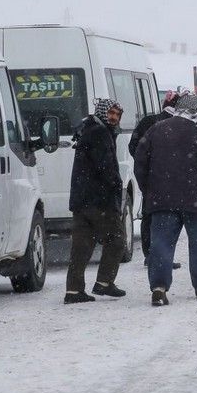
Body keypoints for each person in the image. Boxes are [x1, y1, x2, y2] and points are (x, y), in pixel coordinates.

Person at [135, 94, 197, 306]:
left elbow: (141, 162)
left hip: (163, 198)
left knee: (161, 243)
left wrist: (149, 189)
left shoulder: (158, 129)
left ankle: (159, 286)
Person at [65, 98, 127, 304]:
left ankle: (74, 290)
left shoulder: (88, 129)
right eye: (111, 113)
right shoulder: (100, 133)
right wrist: (116, 186)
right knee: (117, 240)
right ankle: (104, 282)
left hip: (82, 200)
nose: (114, 118)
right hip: (99, 200)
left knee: (81, 246)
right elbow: (105, 167)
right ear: (102, 113)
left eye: (117, 115)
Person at [128, 90, 182, 270]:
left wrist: (145, 168)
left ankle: (150, 254)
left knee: (149, 216)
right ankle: (164, 255)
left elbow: (133, 147)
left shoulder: (147, 122)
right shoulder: (179, 125)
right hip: (174, 179)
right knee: (169, 218)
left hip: (151, 179)